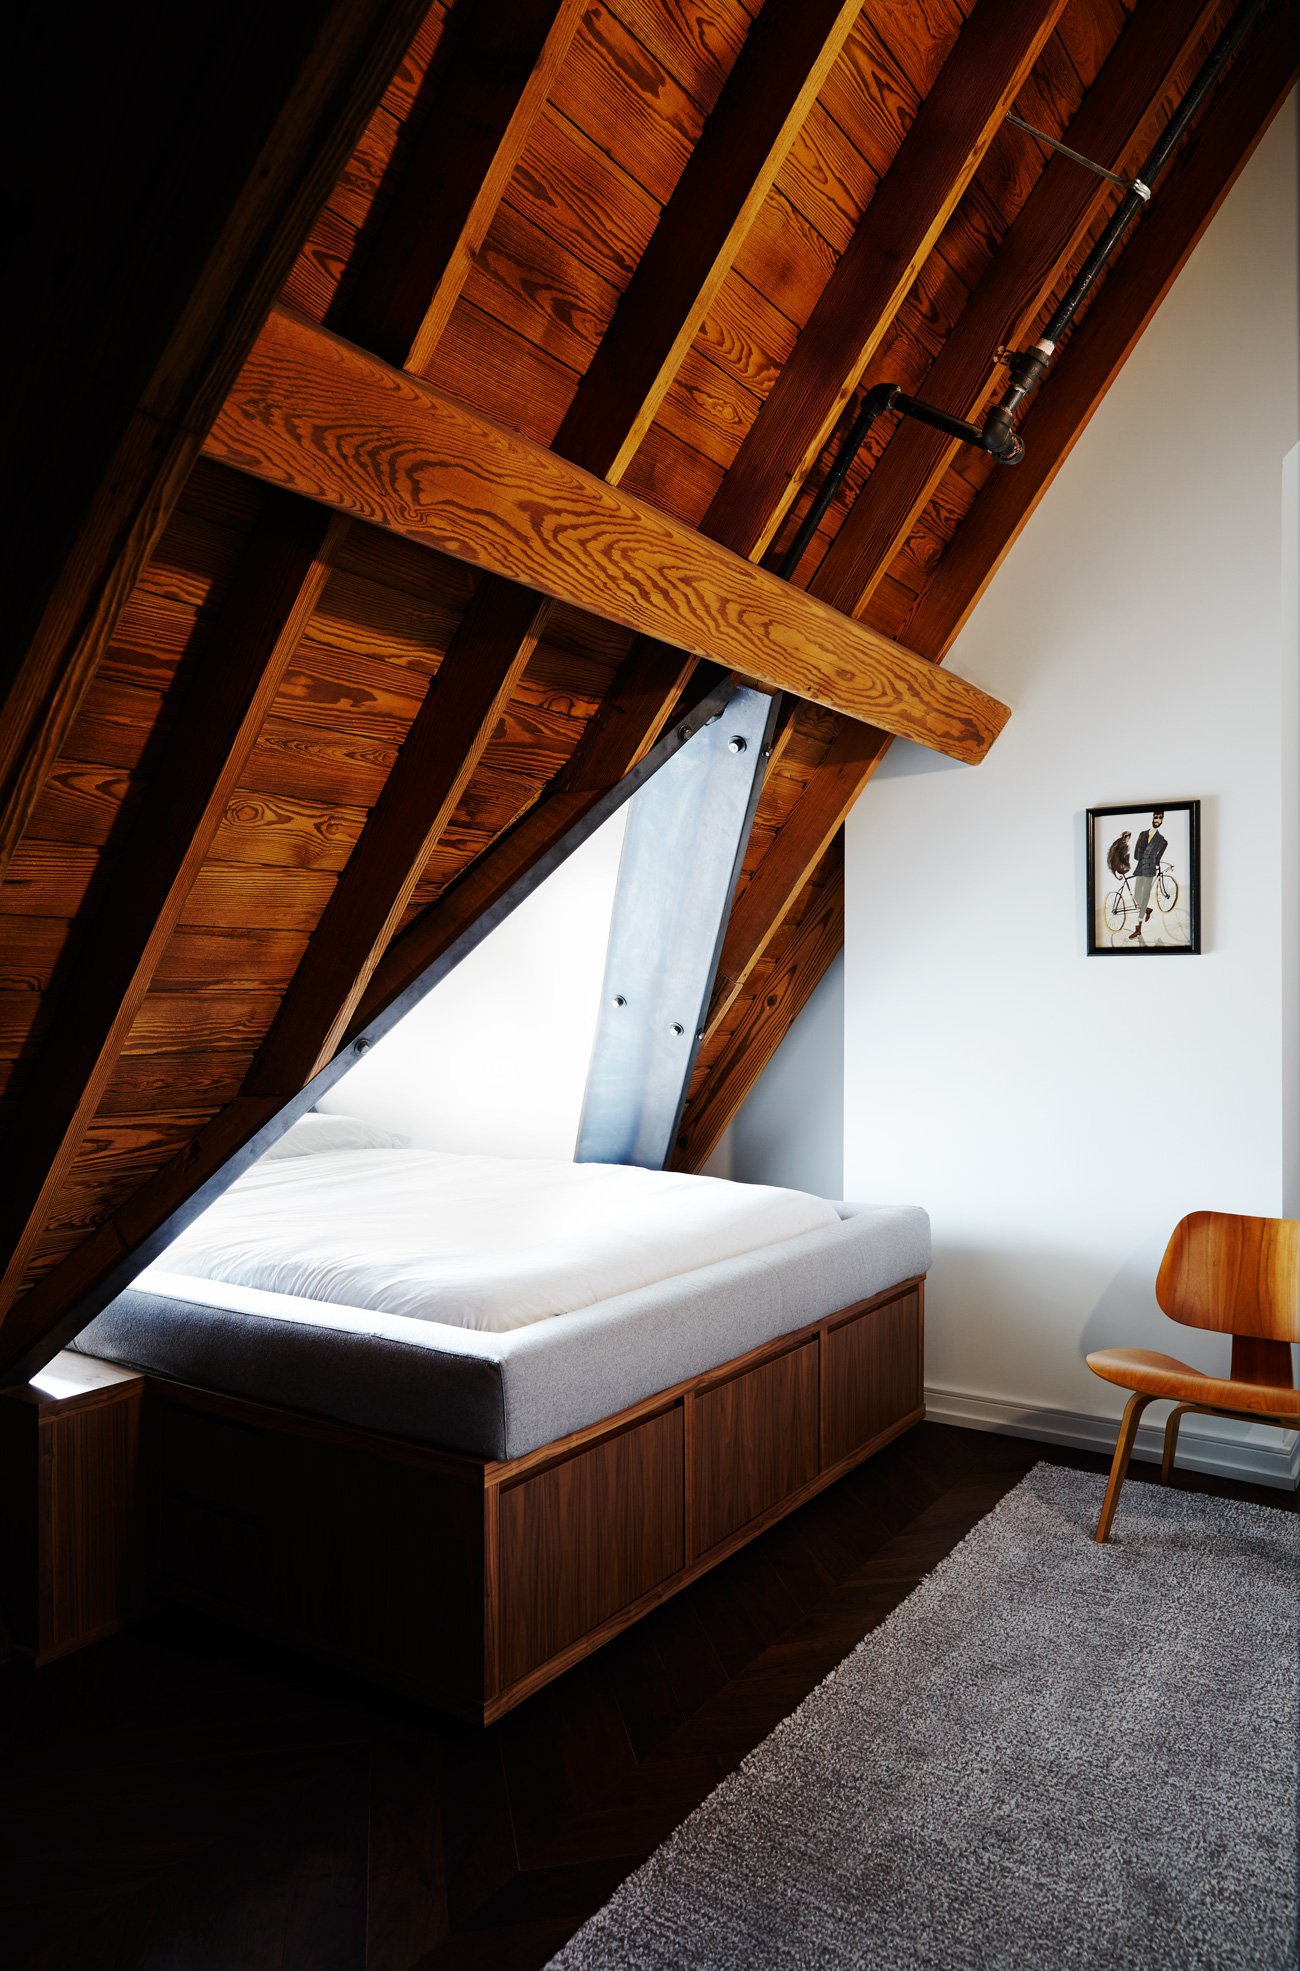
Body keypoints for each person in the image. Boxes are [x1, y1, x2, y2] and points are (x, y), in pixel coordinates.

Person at [1128, 810, 1167, 939]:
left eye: (1160, 818)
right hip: (1140, 867)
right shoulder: (1142, 834)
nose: (1157, 820)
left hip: (1149, 870)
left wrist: (1155, 864)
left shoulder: (1162, 841)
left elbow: (1158, 859)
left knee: (1144, 896)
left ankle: (1138, 928)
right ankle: (1147, 910)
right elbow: (1136, 853)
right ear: (1152, 818)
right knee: (1136, 895)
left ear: (1162, 820)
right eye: (1156, 817)